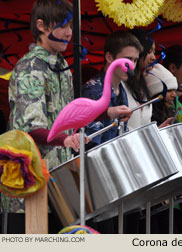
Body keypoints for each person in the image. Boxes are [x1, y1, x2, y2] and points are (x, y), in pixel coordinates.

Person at [5, 0, 89, 232]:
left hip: (57, 180)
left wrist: (107, 112)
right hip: (29, 184)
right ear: (41, 26)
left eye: (71, 26)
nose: (70, 32)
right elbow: (30, 126)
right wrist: (64, 139)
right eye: (63, 26)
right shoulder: (31, 67)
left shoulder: (61, 66)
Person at [82, 31, 136, 147]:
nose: (132, 66)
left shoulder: (121, 89)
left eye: (135, 60)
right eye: (127, 59)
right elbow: (91, 147)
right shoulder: (94, 91)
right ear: (109, 57)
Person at [122, 29, 155, 130]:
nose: (154, 57)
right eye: (149, 52)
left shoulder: (143, 87)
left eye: (154, 52)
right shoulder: (120, 84)